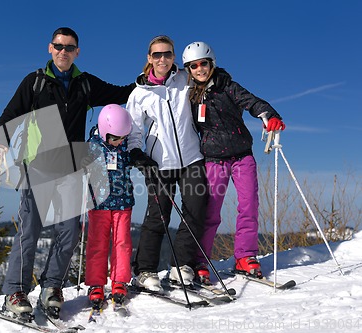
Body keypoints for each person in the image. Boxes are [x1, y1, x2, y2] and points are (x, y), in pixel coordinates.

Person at [0, 27, 134, 319]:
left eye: (69, 47)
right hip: (37, 169)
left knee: (69, 233)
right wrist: (1, 143)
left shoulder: (85, 84)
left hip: (70, 170)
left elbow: (120, 93)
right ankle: (15, 292)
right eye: (58, 46)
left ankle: (51, 287)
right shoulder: (36, 82)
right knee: (29, 233)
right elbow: (10, 115)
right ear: (50, 48)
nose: (63, 52)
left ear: (77, 52)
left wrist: (143, 83)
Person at [182, 41, 286, 280]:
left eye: (203, 63)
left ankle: (245, 256)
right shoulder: (189, 96)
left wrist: (269, 115)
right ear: (188, 70)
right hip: (214, 160)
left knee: (249, 206)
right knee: (211, 211)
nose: (200, 69)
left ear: (212, 63)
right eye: (194, 66)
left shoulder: (227, 86)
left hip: (242, 156)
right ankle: (201, 260)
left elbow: (252, 102)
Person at [126, 35, 208, 291]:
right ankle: (145, 270)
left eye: (168, 54)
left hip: (191, 158)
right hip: (159, 164)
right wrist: (139, 156)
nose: (163, 59)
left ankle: (181, 266)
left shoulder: (185, 79)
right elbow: (133, 133)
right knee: (158, 216)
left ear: (174, 57)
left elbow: (208, 75)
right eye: (157, 55)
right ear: (149, 59)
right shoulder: (139, 94)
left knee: (196, 210)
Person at [83, 104, 135, 308]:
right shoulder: (92, 146)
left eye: (122, 137)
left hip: (123, 202)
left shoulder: (125, 144)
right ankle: (96, 283)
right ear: (104, 131)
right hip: (99, 204)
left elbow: (134, 157)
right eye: (115, 138)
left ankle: (119, 281)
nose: (119, 141)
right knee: (97, 244)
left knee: (122, 243)